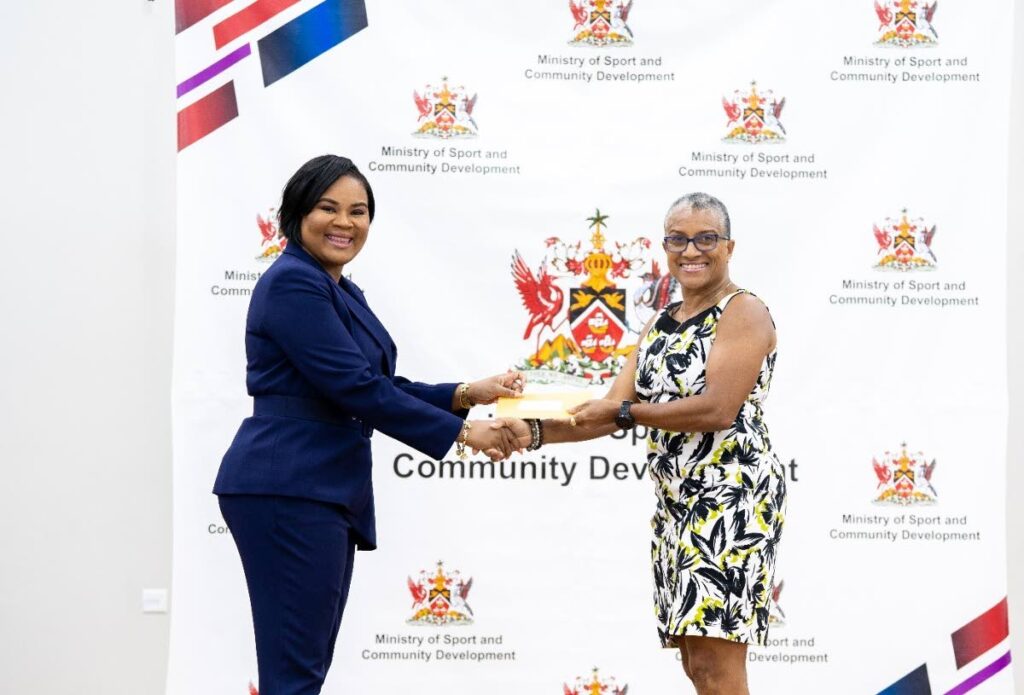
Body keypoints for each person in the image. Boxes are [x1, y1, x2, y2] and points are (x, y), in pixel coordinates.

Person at [213, 154, 523, 695]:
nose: (345, 222)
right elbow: (355, 389)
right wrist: (462, 432)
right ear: (295, 214)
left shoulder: (336, 288)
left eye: (358, 211)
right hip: (289, 485)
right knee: (295, 675)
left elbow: (375, 382)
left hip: (319, 486)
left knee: (302, 668)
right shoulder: (293, 284)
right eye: (327, 207)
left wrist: (464, 394)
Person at [509, 193, 786, 695]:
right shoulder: (660, 321)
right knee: (695, 663)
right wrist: (528, 430)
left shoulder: (743, 311)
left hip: (731, 499)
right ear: (665, 247)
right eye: (678, 239)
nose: (692, 250)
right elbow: (607, 411)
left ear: (729, 246)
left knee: (715, 663)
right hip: (678, 503)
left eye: (706, 238)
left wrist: (624, 412)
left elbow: (716, 409)